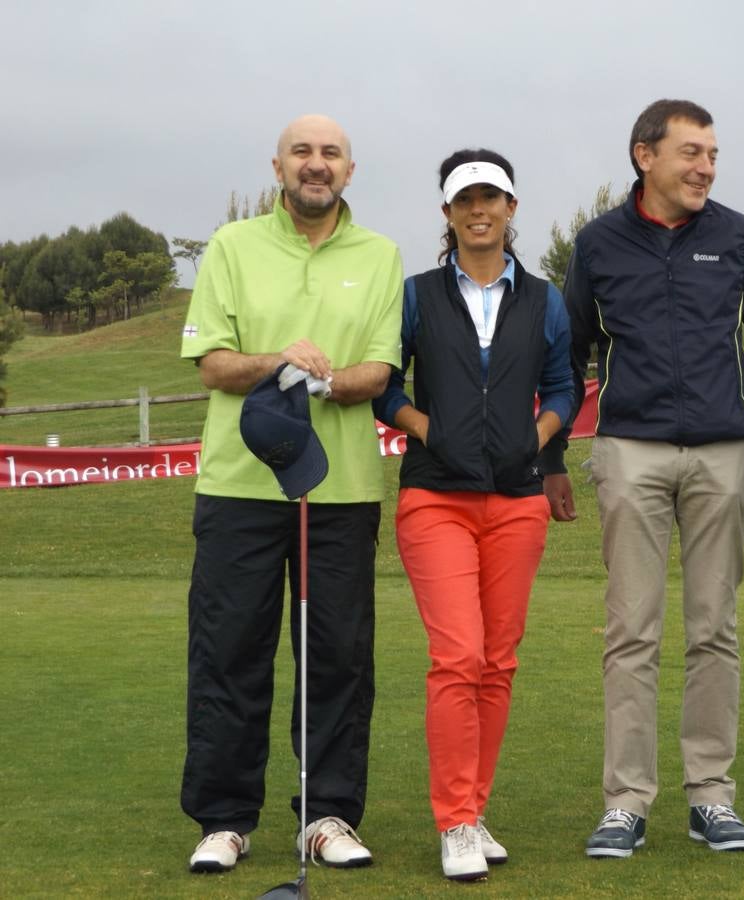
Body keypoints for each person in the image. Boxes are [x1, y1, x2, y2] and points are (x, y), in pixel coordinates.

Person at [557, 98, 744, 859]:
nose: (705, 168)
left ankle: (711, 797)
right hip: (629, 451)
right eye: (692, 153)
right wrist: (547, 458)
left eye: (713, 155)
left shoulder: (733, 234)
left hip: (726, 452)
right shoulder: (597, 244)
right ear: (645, 156)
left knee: (713, 630)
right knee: (631, 632)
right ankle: (626, 802)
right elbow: (570, 355)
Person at [179, 114, 403, 874]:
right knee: (230, 650)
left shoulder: (380, 256)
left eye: (330, 153)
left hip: (340, 490)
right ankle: (224, 818)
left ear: (350, 169)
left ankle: (328, 814)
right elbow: (212, 363)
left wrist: (320, 378)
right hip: (239, 487)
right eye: (302, 152)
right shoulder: (232, 247)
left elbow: (377, 372)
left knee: (338, 656)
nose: (316, 164)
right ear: (278, 166)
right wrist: (284, 359)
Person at [372, 149, 574, 882]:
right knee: (458, 656)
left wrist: (540, 437)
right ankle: (454, 820)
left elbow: (563, 386)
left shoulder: (545, 299)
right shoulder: (418, 295)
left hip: (517, 501)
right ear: (448, 214)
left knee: (498, 662)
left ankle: (474, 809)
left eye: (492, 198)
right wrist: (426, 429)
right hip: (436, 496)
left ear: (512, 209)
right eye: (466, 200)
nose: (480, 210)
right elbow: (384, 385)